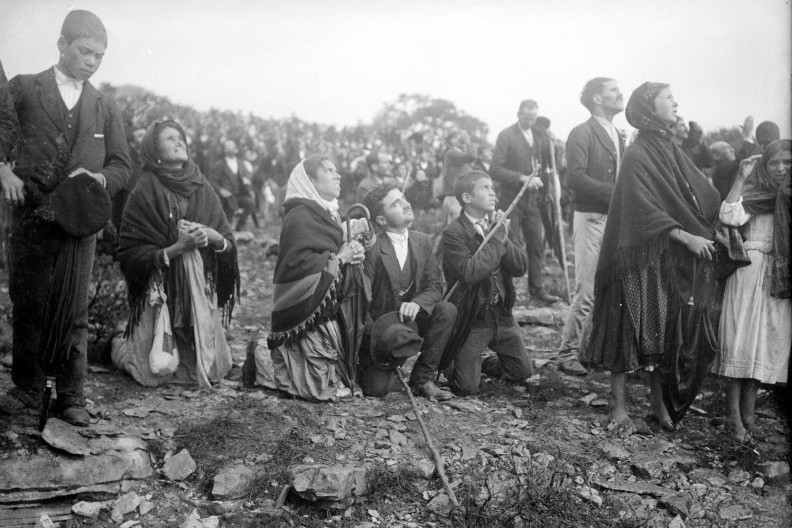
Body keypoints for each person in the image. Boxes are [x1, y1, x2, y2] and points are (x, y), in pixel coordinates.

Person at [0, 11, 130, 426]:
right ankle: (27, 388)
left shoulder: (104, 105)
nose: (92, 61)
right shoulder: (22, 87)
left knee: (74, 309)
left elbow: (122, 165)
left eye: (100, 55)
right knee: (29, 301)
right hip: (31, 215)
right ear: (61, 45)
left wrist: (102, 177)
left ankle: (72, 394)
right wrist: (2, 167)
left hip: (80, 220)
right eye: (84, 51)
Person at [584, 82, 722, 433]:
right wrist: (685, 235)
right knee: (627, 326)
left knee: (660, 330)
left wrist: (704, 222)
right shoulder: (638, 153)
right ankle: (618, 406)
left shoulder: (668, 147)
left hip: (662, 256)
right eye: (668, 98)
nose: (676, 102)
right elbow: (640, 207)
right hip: (635, 255)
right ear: (649, 108)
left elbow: (693, 192)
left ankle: (659, 405)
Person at [113, 121, 238, 387]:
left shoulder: (203, 187)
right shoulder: (144, 189)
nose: (179, 141)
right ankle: (118, 344)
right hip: (160, 289)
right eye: (170, 139)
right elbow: (130, 253)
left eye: (181, 137)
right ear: (154, 150)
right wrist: (177, 248)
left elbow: (227, 241)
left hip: (198, 289)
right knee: (148, 374)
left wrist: (214, 238)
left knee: (214, 371)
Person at [269, 155, 368, 401]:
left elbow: (332, 249)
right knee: (315, 384)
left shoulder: (330, 213)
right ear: (311, 180)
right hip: (306, 312)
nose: (338, 175)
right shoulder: (300, 215)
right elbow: (298, 266)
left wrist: (353, 248)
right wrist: (341, 258)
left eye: (337, 170)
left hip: (328, 309)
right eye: (329, 171)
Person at [711, 140, 791, 443]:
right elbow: (728, 216)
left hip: (779, 276)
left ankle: (749, 415)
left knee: (763, 343)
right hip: (750, 268)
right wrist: (741, 178)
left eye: (787, 162)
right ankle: (732, 418)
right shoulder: (757, 193)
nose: (781, 168)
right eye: (774, 163)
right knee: (741, 341)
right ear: (764, 166)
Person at [359, 184, 456, 400]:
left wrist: (418, 303)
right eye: (396, 203)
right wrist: (381, 341)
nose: (406, 204)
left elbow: (435, 285)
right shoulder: (372, 249)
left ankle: (422, 379)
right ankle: (372, 366)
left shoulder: (421, 240)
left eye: (403, 198)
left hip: (411, 322)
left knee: (446, 310)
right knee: (377, 390)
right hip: (380, 332)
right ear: (381, 220)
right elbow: (360, 305)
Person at [442, 170, 533, 395]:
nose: (493, 193)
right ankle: (456, 363)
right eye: (485, 188)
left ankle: (481, 363)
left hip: (502, 315)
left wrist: (503, 237)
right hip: (474, 318)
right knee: (466, 387)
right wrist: (496, 239)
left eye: (493, 188)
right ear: (467, 198)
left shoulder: (499, 223)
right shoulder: (454, 232)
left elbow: (520, 267)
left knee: (522, 372)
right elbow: (470, 273)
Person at [558, 77, 625, 377]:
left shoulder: (618, 134)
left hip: (613, 220)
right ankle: (567, 353)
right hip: (591, 218)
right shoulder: (581, 132)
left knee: (608, 289)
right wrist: (618, 194)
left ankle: (591, 351)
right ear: (597, 99)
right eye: (613, 90)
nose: (620, 94)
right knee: (586, 291)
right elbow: (575, 177)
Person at [490, 99, 559, 304]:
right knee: (508, 244)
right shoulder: (506, 135)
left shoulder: (539, 135)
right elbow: (495, 168)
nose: (531, 121)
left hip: (533, 201)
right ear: (519, 114)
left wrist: (552, 143)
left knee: (537, 245)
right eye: (527, 117)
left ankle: (536, 290)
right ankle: (503, 292)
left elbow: (549, 160)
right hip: (511, 199)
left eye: (534, 117)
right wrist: (522, 178)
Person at [712, 117, 780, 201]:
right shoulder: (720, 169)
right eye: (727, 148)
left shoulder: (728, 168)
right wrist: (747, 136)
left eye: (731, 147)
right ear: (716, 156)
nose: (732, 149)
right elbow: (739, 162)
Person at [210, 139, 257, 231]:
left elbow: (247, 176)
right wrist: (221, 190)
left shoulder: (240, 162)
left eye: (234, 145)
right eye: (230, 146)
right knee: (228, 219)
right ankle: (227, 233)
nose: (234, 147)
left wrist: (247, 180)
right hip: (228, 197)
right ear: (225, 150)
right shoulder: (220, 164)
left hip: (240, 195)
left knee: (251, 204)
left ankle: (240, 226)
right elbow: (211, 181)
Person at [440, 130, 478, 225]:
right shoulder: (452, 153)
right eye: (458, 136)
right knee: (456, 232)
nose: (462, 137)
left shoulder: (459, 154)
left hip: (458, 197)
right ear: (452, 141)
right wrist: (468, 141)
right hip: (454, 198)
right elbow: (472, 156)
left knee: (457, 231)